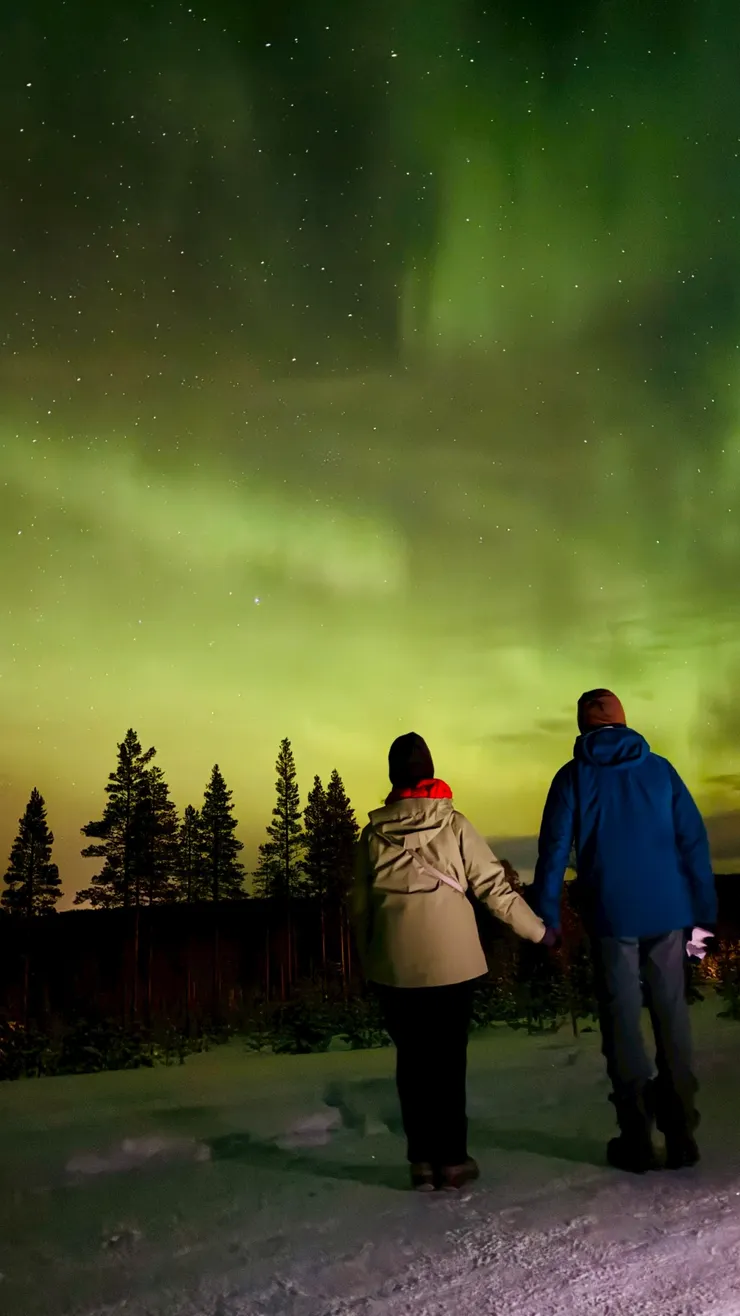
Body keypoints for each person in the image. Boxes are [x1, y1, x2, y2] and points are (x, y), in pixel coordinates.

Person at [351, 732, 551, 1192]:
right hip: (452, 964)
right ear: (430, 772)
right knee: (446, 1062)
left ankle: (422, 1163)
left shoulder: (373, 834)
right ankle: (453, 1161)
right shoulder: (455, 824)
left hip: (395, 966)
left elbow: (359, 908)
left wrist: (370, 960)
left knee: (412, 1062)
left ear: (393, 778)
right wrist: (539, 932)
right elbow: (494, 890)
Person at [532, 689, 717, 1174]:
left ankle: (636, 1138)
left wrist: (546, 916)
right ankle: (681, 1134)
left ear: (581, 725)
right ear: (624, 721)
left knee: (622, 1024)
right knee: (672, 1017)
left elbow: (553, 851)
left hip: (612, 915)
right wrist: (703, 909)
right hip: (669, 910)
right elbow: (692, 840)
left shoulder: (573, 777)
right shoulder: (661, 770)